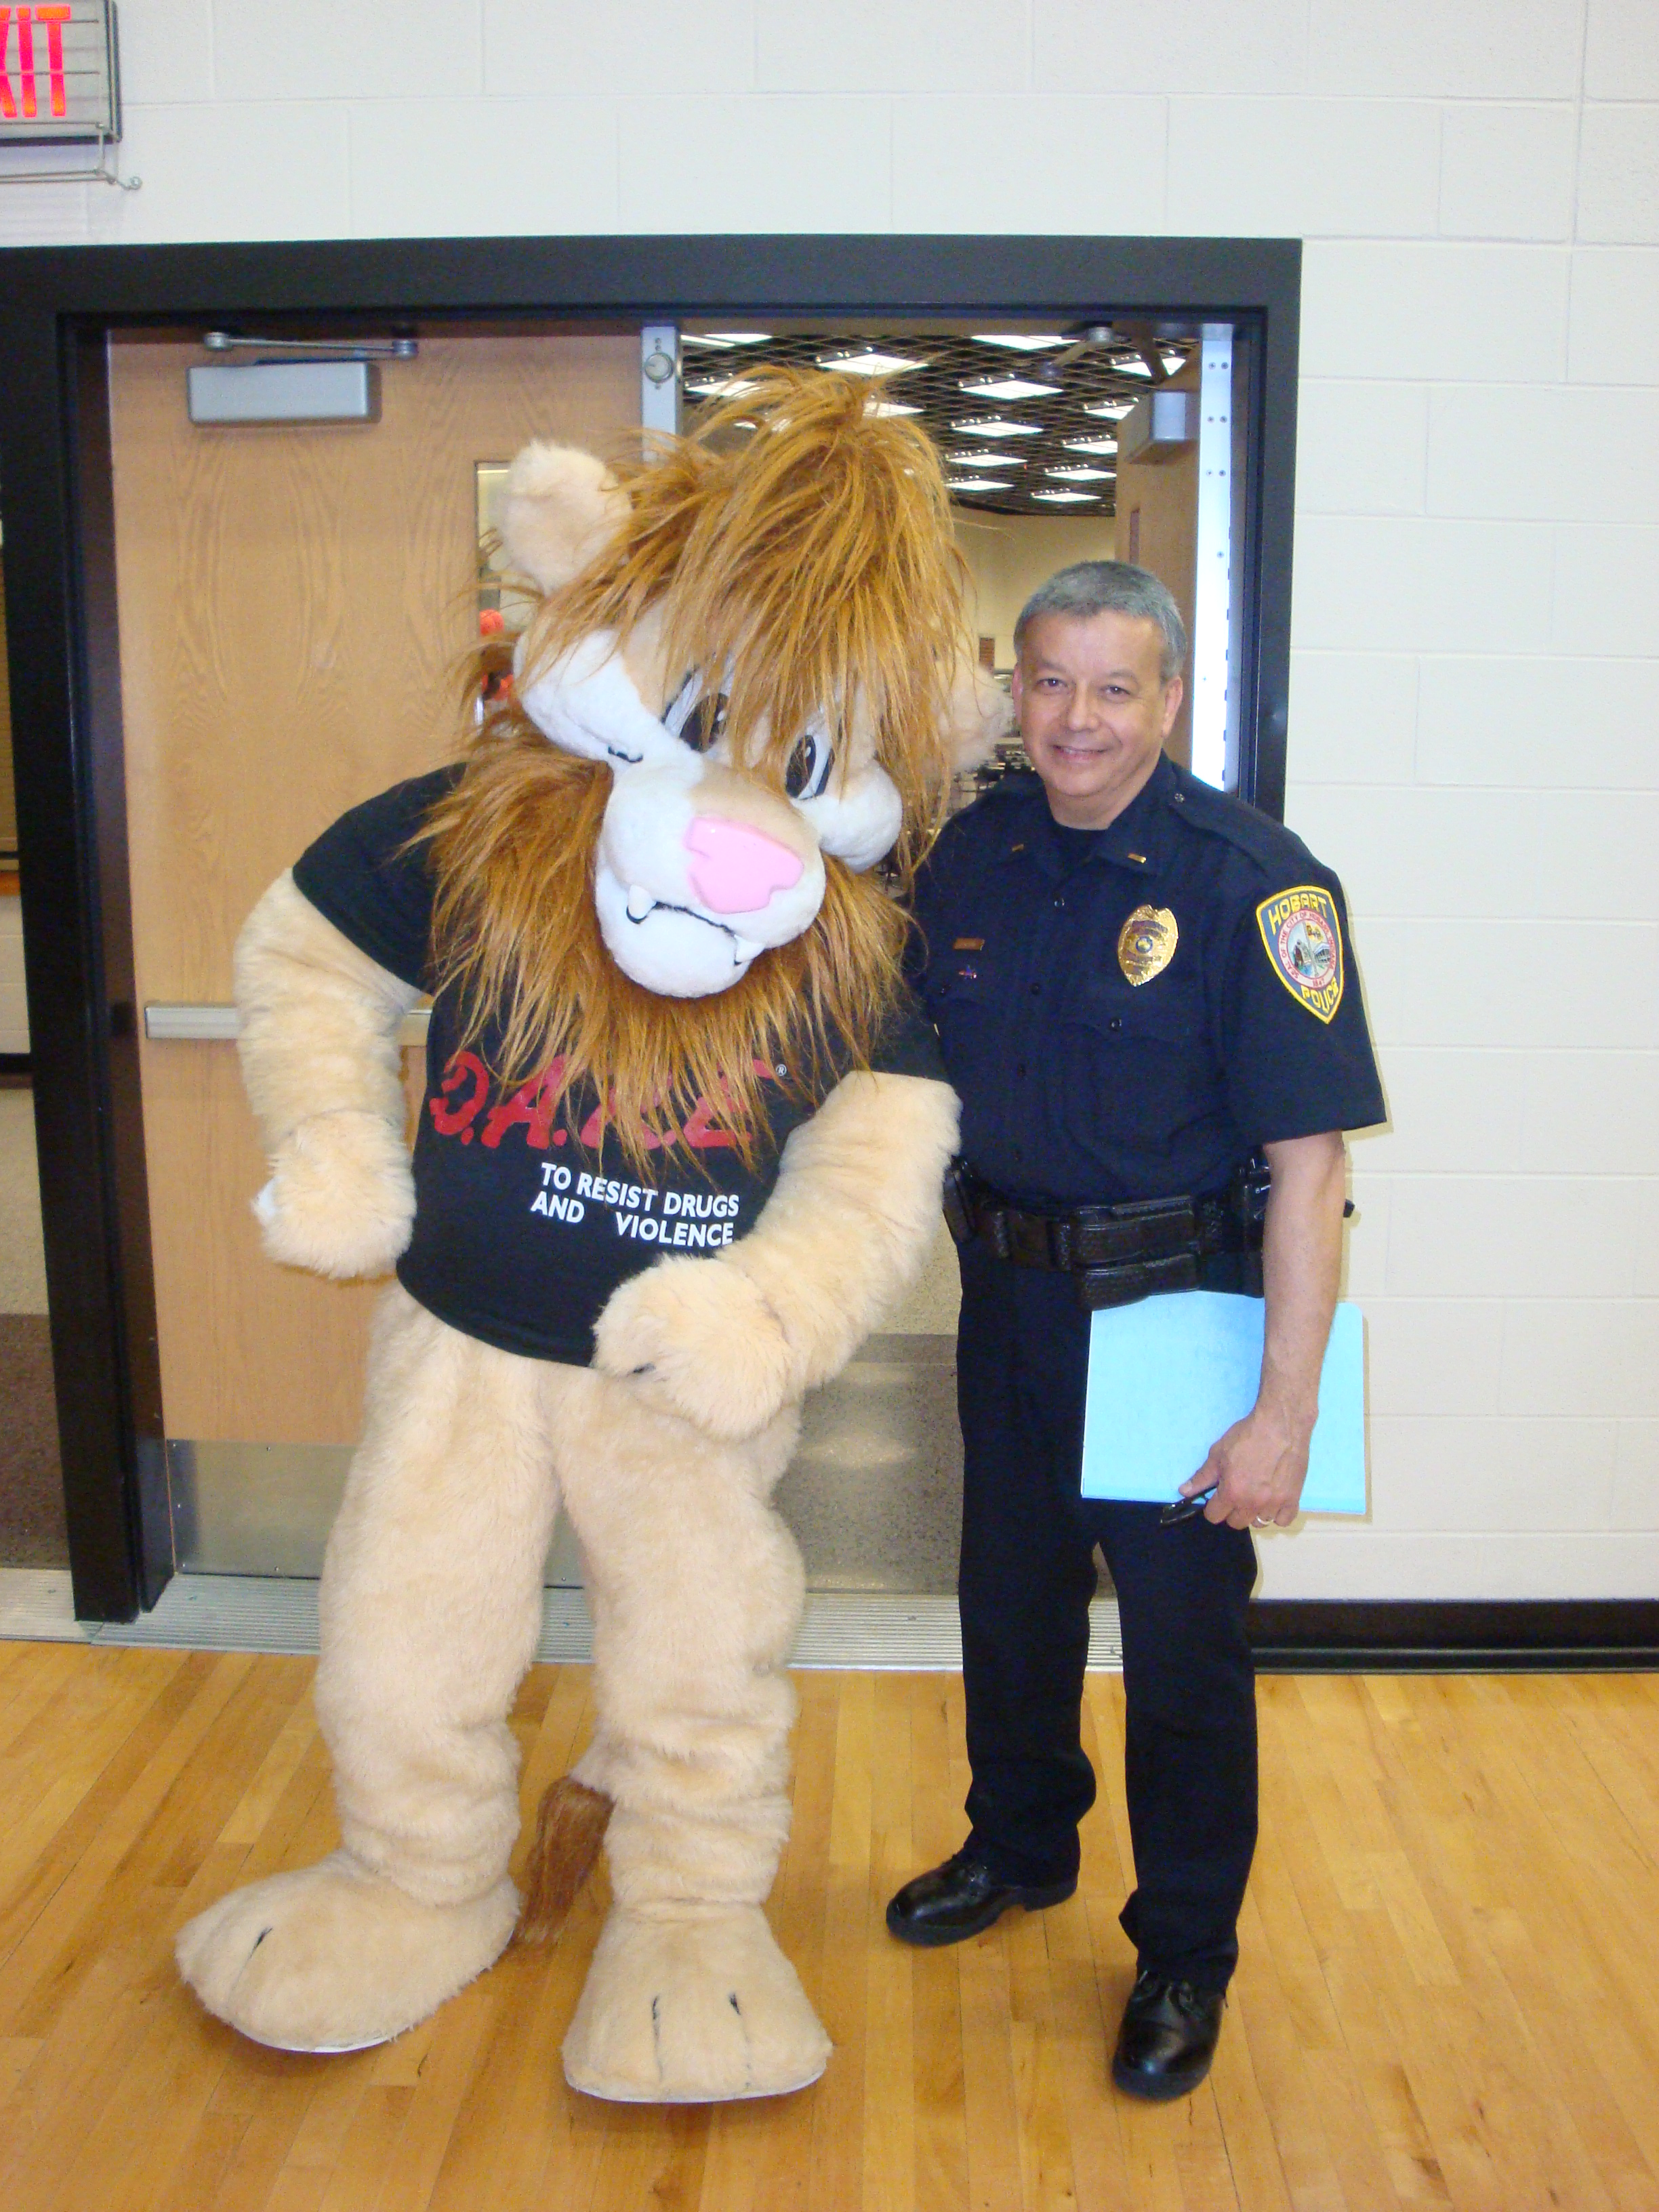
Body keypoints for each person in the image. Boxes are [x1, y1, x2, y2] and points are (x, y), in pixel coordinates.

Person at [886, 562, 1385, 2102]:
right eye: (1050, 682)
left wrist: (1284, 1412)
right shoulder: (967, 859)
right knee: (1009, 1606)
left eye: (1114, 688)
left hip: (1179, 1312)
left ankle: (1183, 1950)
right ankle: (1019, 1845)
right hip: (1008, 1302)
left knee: (1180, 1657)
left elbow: (1312, 1173)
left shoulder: (1257, 882)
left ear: (1169, 698)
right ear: (1013, 688)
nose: (1078, 719)